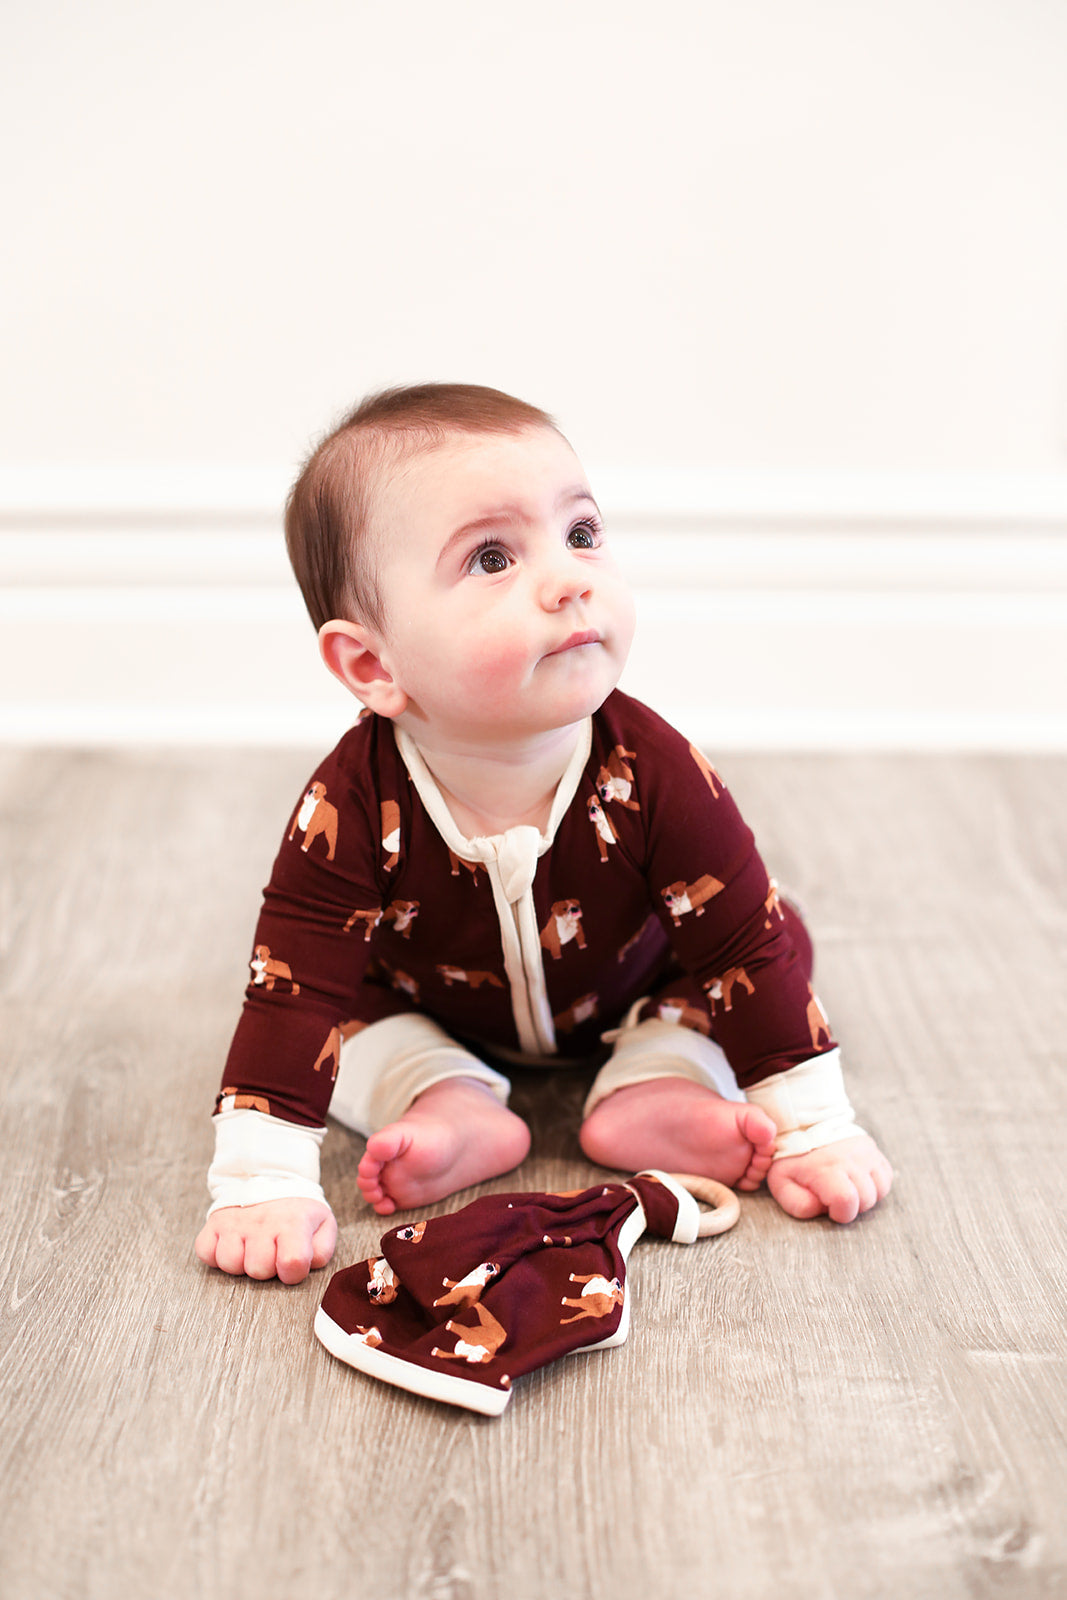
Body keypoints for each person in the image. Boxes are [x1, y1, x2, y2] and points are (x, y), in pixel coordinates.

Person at [195, 384, 893, 1285]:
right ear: (372, 664)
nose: (571, 580)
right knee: (339, 1004)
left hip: (633, 990)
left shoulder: (653, 771)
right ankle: (444, 1098)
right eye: (492, 558)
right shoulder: (353, 803)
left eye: (581, 534)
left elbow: (740, 947)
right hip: (433, 1006)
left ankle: (656, 1084)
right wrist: (260, 1186)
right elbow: (289, 992)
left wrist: (813, 1131)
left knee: (772, 937)